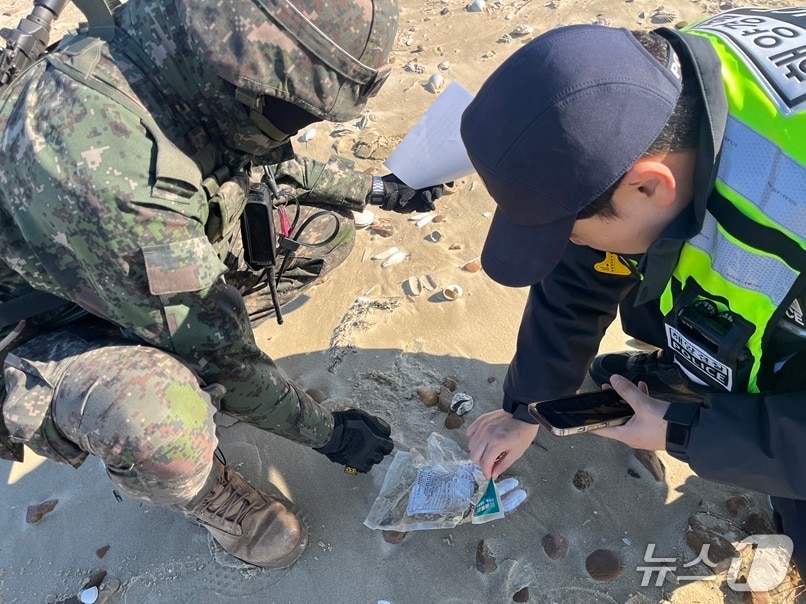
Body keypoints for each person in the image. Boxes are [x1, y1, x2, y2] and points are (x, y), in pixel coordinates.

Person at [0, 0, 444, 569]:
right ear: (243, 82)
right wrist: (328, 433)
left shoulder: (172, 51)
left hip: (112, 261)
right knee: (157, 416)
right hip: (41, 325)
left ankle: (195, 342)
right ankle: (207, 489)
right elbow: (223, 355)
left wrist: (372, 190)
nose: (302, 127)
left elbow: (246, 156)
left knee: (322, 237)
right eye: (296, 114)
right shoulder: (124, 182)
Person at [460, 8, 806, 573]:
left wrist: (687, 431)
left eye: (570, 230)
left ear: (650, 183)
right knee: (629, 255)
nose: (571, 245)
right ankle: (708, 372)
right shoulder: (656, 88)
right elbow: (579, 273)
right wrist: (527, 406)